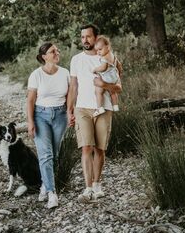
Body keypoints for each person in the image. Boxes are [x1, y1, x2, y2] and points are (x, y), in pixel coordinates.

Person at [67, 24, 122, 203]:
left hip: (104, 108)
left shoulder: (109, 59)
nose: (85, 40)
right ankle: (88, 188)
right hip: (82, 108)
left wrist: (103, 85)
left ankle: (97, 184)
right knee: (86, 148)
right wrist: (69, 110)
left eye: (88, 37)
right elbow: (73, 86)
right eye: (82, 37)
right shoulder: (76, 60)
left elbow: (119, 87)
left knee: (100, 149)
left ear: (96, 37)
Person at [27, 42, 70, 209]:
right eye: (53, 51)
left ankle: (45, 184)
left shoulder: (65, 73)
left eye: (57, 50)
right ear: (44, 56)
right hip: (40, 116)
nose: (57, 53)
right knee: (45, 154)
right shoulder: (36, 75)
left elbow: (69, 96)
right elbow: (30, 100)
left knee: (55, 154)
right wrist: (30, 121)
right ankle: (52, 193)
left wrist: (69, 112)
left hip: (60, 115)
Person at [92, 35, 121, 117]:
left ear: (107, 47)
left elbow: (103, 68)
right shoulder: (112, 55)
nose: (98, 52)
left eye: (100, 49)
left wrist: (95, 69)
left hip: (108, 78)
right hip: (114, 78)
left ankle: (100, 108)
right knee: (112, 92)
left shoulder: (105, 57)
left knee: (98, 91)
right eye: (97, 50)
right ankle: (115, 106)